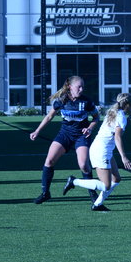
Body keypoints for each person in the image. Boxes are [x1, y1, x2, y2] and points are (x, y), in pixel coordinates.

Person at [29, 75, 100, 204]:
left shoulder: (87, 101)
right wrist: (37, 131)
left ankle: (93, 194)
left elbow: (96, 117)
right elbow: (49, 116)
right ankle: (45, 193)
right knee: (49, 160)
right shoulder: (61, 100)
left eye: (83, 87)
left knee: (84, 165)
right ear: (70, 87)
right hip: (65, 134)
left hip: (81, 135)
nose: (81, 89)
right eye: (79, 87)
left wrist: (90, 128)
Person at [62, 93, 131, 211]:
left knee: (116, 178)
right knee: (106, 185)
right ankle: (74, 181)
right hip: (101, 151)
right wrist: (124, 157)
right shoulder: (121, 117)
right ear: (128, 105)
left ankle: (97, 204)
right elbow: (117, 137)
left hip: (103, 149)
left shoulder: (114, 111)